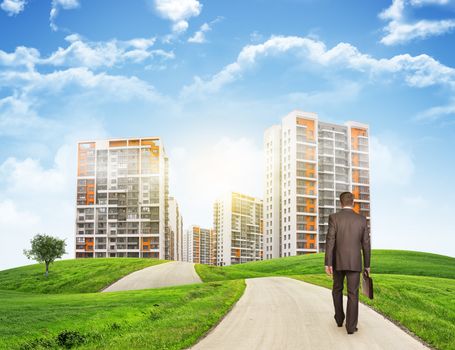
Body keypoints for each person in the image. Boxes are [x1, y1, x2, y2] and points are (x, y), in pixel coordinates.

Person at [324, 191, 371, 334]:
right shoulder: (362, 220)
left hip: (338, 262)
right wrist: (367, 265)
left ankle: (339, 319)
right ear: (353, 203)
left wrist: (328, 263)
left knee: (337, 290)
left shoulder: (334, 218)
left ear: (340, 203)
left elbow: (330, 241)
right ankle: (351, 327)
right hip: (355, 262)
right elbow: (366, 244)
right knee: (353, 294)